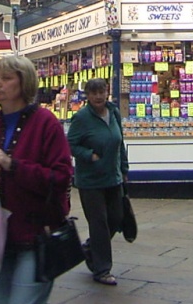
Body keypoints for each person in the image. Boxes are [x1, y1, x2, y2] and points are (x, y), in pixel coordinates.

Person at [0, 55, 73, 304]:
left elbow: (61, 177)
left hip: (35, 235)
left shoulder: (46, 124)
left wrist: (13, 165)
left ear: (24, 83)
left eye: (6, 78)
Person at [67, 77, 129, 286]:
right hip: (91, 181)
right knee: (99, 223)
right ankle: (102, 269)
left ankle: (89, 248)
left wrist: (125, 169)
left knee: (116, 218)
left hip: (113, 177)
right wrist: (88, 155)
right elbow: (71, 144)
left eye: (101, 92)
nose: (98, 97)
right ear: (87, 95)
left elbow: (121, 143)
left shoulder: (114, 113)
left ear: (107, 92)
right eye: (94, 93)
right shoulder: (82, 118)